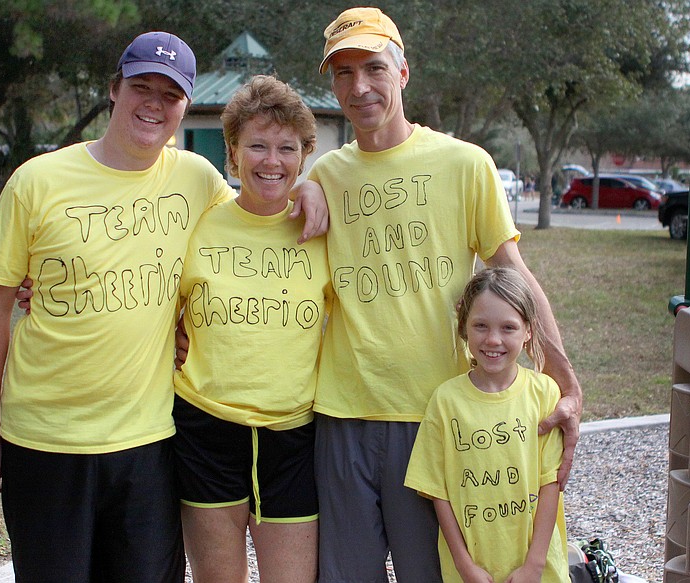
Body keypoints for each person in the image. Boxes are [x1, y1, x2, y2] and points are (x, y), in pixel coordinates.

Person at [0, 31, 325, 583]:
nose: (154, 104)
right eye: (141, 87)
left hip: (149, 441)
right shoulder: (37, 181)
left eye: (170, 94)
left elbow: (258, 210)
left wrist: (313, 188)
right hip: (44, 437)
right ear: (114, 89)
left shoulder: (196, 179)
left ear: (184, 105)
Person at [307, 7, 582, 582]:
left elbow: (513, 273)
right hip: (342, 415)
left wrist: (565, 379)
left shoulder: (464, 164)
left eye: (373, 68)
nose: (359, 87)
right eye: (343, 73)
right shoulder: (322, 177)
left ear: (403, 73)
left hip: (438, 415)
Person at [172, 74, 331, 583]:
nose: (271, 161)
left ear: (304, 156)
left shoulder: (323, 231)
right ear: (233, 153)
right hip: (205, 429)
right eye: (256, 145)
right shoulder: (199, 224)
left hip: (292, 436)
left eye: (287, 148)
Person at [405, 267, 569, 583]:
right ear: (464, 327)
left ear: (529, 331)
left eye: (508, 327)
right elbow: (438, 492)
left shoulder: (545, 394)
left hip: (536, 569)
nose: (493, 339)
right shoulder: (445, 401)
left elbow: (551, 484)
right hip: (472, 571)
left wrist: (534, 566)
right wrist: (465, 566)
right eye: (481, 325)